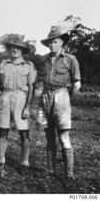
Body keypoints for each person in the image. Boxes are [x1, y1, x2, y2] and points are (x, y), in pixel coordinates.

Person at [38, 25, 81, 179]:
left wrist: (67, 98)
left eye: (55, 42)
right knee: (49, 136)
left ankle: (69, 174)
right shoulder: (45, 61)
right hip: (45, 97)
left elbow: (77, 84)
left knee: (63, 136)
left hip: (62, 96)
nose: (52, 45)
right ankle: (51, 170)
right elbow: (40, 81)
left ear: (62, 42)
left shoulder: (70, 59)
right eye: (50, 42)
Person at [0, 35, 36, 175]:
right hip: (6, 96)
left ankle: (24, 162)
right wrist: (6, 94)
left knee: (23, 132)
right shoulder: (4, 64)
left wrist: (27, 107)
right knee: (3, 130)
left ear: (22, 50)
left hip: (21, 98)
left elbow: (31, 87)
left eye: (18, 48)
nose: (15, 50)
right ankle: (1, 160)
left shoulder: (28, 66)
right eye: (13, 47)